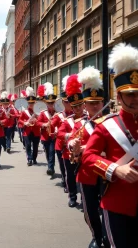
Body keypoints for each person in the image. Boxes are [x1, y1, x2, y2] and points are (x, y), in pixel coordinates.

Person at [82, 43, 138, 248]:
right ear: (119, 95)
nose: (136, 98)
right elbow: (88, 158)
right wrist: (115, 169)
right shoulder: (107, 125)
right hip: (117, 203)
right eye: (130, 93)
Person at [68, 66, 107, 248]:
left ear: (102, 102)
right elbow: (72, 147)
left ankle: (107, 235)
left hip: (107, 172)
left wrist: (87, 148)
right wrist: (74, 147)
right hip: (87, 172)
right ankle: (96, 236)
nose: (94, 106)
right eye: (90, 102)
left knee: (108, 208)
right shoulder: (79, 124)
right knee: (90, 209)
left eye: (98, 102)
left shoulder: (111, 123)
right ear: (85, 104)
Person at [57, 75, 86, 208]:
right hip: (68, 153)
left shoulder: (89, 119)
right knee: (70, 176)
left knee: (85, 176)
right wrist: (69, 136)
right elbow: (60, 133)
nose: (78, 109)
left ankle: (87, 198)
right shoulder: (67, 121)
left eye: (80, 105)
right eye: (75, 106)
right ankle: (72, 196)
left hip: (84, 153)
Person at [51, 76, 73, 193]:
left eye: (70, 102)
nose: (68, 104)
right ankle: (65, 182)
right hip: (61, 145)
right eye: (66, 102)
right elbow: (51, 125)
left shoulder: (80, 114)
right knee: (64, 168)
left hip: (75, 146)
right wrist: (54, 130)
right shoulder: (59, 115)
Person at [37, 82, 57, 176]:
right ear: (46, 103)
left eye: (52, 103)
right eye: (49, 103)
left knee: (52, 151)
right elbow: (38, 122)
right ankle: (50, 165)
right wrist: (44, 124)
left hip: (54, 136)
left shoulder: (58, 113)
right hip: (45, 136)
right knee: (48, 152)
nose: (50, 105)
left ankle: (50, 168)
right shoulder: (43, 112)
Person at [18, 87, 40, 165]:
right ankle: (29, 159)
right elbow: (20, 120)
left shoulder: (38, 111)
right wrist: (24, 123)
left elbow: (41, 120)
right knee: (27, 145)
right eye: (29, 103)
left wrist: (36, 121)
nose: (31, 104)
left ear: (35, 102)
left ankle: (34, 158)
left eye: (32, 103)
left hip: (36, 131)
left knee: (35, 146)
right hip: (27, 131)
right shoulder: (24, 111)